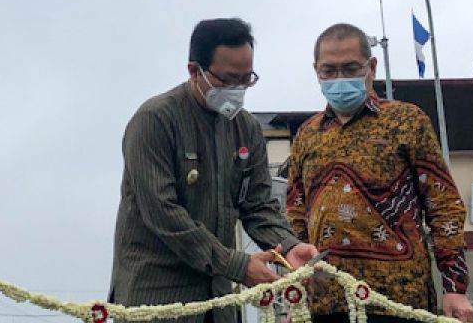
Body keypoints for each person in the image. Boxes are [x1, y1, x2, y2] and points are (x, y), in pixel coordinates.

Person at [110, 18, 318, 323]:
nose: (238, 89)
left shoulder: (245, 128)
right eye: (228, 79)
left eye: (247, 79)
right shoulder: (154, 121)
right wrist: (237, 266)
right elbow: (164, 215)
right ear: (194, 71)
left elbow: (258, 204)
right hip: (156, 300)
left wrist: (288, 247)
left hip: (220, 299)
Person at [286, 23, 473, 323]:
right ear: (316, 71)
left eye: (350, 68)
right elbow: (295, 212)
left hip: (398, 301)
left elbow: (444, 206)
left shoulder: (406, 121)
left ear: (371, 67)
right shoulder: (307, 134)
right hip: (325, 303)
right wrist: (294, 291)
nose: (339, 78)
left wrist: (455, 287)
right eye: (329, 70)